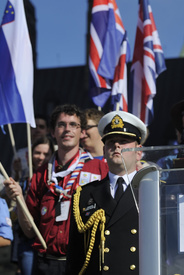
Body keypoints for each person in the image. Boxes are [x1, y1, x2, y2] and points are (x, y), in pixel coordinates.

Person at [4, 104, 109, 275]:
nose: (67, 129)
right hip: (47, 264)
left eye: (73, 124)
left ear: (82, 132)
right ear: (53, 132)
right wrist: (19, 200)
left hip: (85, 263)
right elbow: (30, 231)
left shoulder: (99, 168)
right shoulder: (40, 174)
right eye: (61, 124)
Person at [66, 110, 147, 275]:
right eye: (111, 142)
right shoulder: (84, 195)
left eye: (124, 141)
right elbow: (75, 255)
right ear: (104, 151)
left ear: (139, 152)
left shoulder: (152, 191)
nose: (116, 146)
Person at [10, 136, 55, 275]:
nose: (41, 157)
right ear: (29, 154)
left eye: (46, 154)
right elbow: (13, 208)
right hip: (27, 241)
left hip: (48, 241)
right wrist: (17, 176)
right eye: (37, 153)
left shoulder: (56, 180)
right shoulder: (24, 179)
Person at [11, 114, 50, 181]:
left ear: (48, 130)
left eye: (41, 127)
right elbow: (14, 181)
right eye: (34, 126)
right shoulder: (19, 155)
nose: (37, 130)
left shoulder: (56, 151)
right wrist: (17, 173)